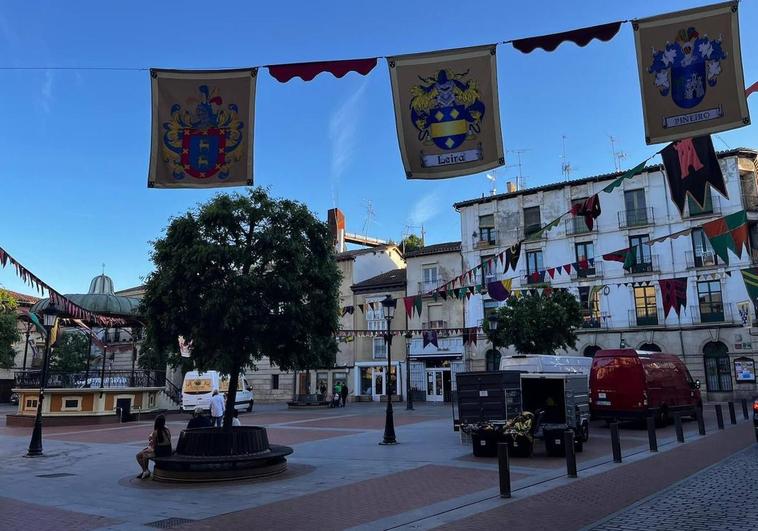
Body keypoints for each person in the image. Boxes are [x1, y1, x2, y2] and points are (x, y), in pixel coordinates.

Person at [135, 415, 172, 479]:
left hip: (160, 452)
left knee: (141, 455)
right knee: (143, 453)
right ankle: (145, 471)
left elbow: (154, 447)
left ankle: (145, 471)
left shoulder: (156, 432)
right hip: (168, 450)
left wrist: (148, 449)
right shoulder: (167, 430)